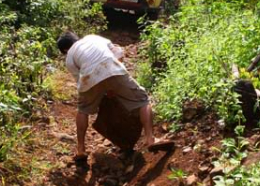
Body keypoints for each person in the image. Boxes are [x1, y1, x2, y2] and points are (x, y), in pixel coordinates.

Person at [56, 31, 174, 163]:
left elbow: (79, 80)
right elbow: (118, 52)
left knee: (83, 110)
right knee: (143, 100)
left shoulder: (70, 57)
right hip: (113, 69)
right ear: (76, 38)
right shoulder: (92, 38)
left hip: (88, 79)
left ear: (66, 49)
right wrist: (113, 84)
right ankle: (150, 139)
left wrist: (98, 93)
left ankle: (81, 149)